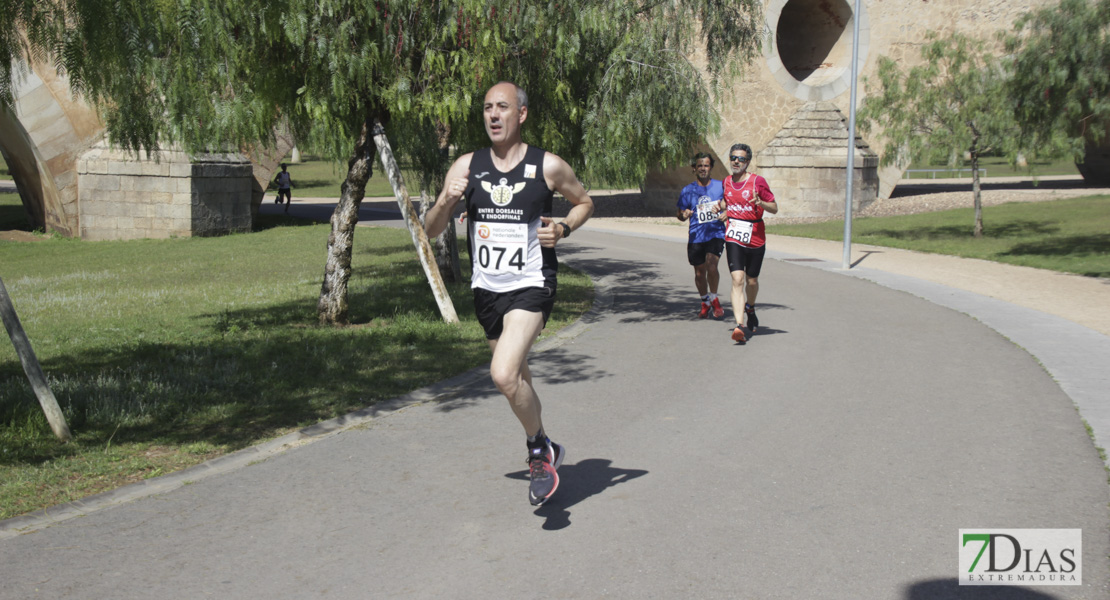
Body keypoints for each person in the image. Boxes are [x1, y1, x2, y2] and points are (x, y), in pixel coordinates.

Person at [425, 81, 594, 507]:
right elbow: (430, 230)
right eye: (487, 108)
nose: (493, 115)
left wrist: (562, 228)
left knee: (502, 374)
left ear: (521, 114)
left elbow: (584, 202)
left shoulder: (547, 166)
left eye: (502, 107)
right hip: (487, 289)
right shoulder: (466, 166)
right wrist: (446, 200)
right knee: (517, 378)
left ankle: (538, 451)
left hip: (532, 283)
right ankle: (547, 446)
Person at [718, 143, 777, 343]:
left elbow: (775, 207)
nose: (736, 161)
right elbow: (728, 201)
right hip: (734, 236)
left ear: (748, 162)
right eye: (733, 157)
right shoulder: (726, 182)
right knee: (737, 280)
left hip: (756, 237)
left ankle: (750, 307)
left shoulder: (757, 182)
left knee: (752, 281)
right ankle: (739, 326)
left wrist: (762, 203)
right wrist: (721, 209)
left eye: (741, 159)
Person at [676, 153, 726, 319]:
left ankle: (715, 299)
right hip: (696, 235)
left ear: (710, 167)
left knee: (712, 266)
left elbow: (732, 205)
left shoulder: (721, 187)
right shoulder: (687, 190)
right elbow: (680, 214)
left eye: (706, 165)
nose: (703, 168)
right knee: (699, 272)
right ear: (694, 168)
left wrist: (726, 213)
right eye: (700, 166)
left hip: (716, 232)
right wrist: (684, 214)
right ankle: (704, 302)